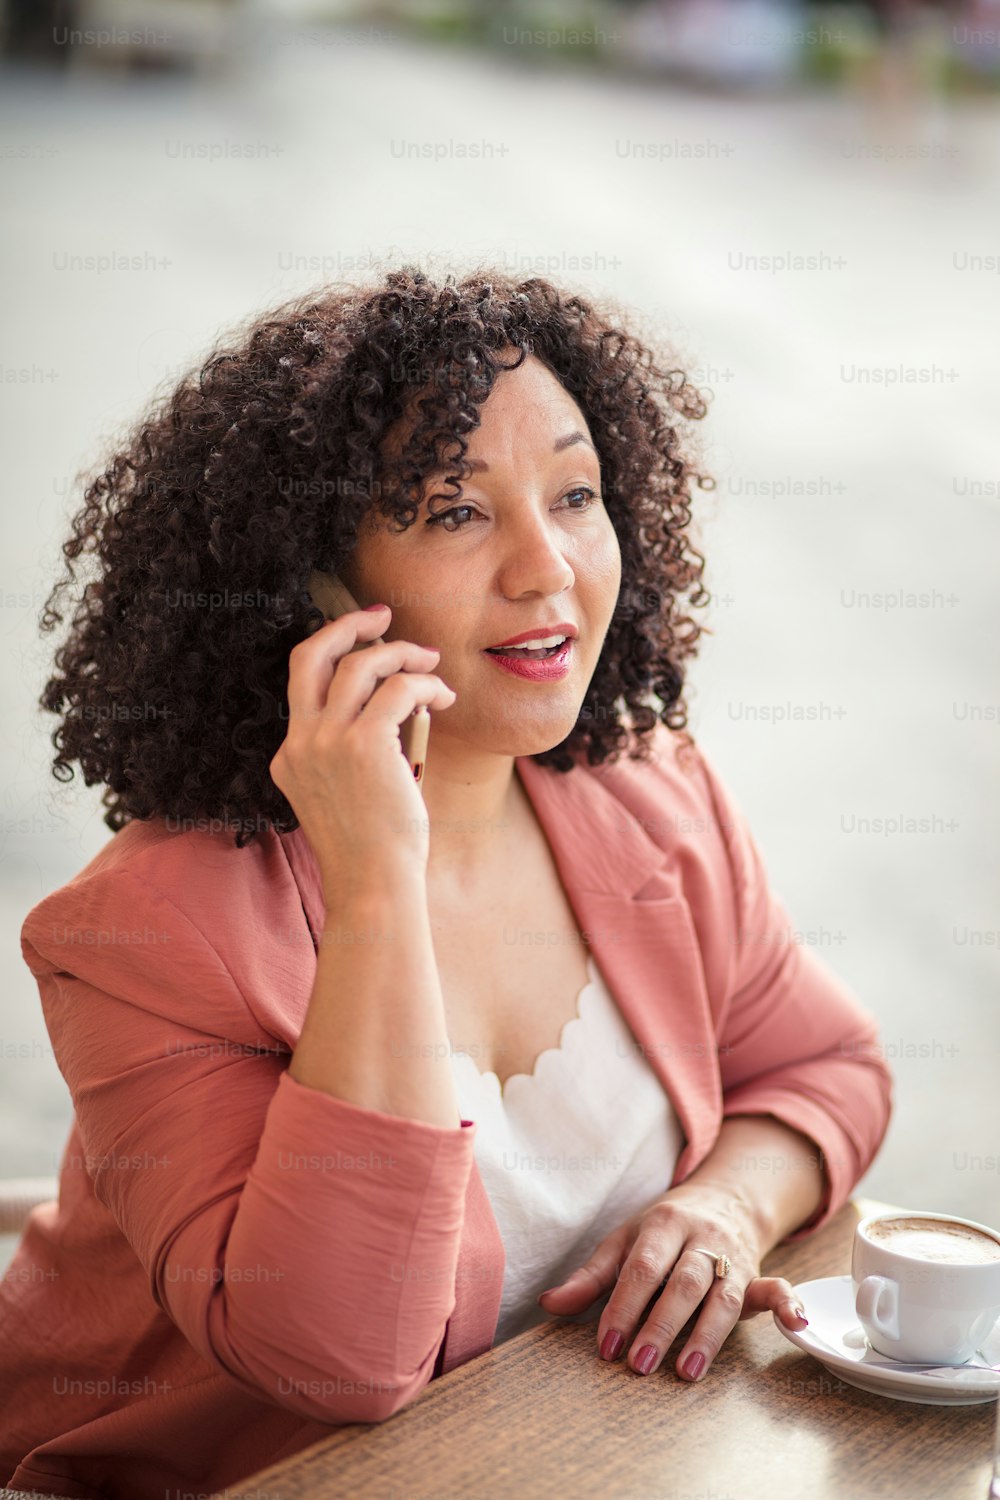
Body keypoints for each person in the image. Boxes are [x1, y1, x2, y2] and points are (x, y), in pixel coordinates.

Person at [0, 266, 892, 1498]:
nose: (548, 569)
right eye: (452, 511)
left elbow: (827, 1070)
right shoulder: (149, 930)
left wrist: (727, 1209)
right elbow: (340, 1360)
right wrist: (375, 882)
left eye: (575, 494)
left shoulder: (650, 788)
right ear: (313, 587)